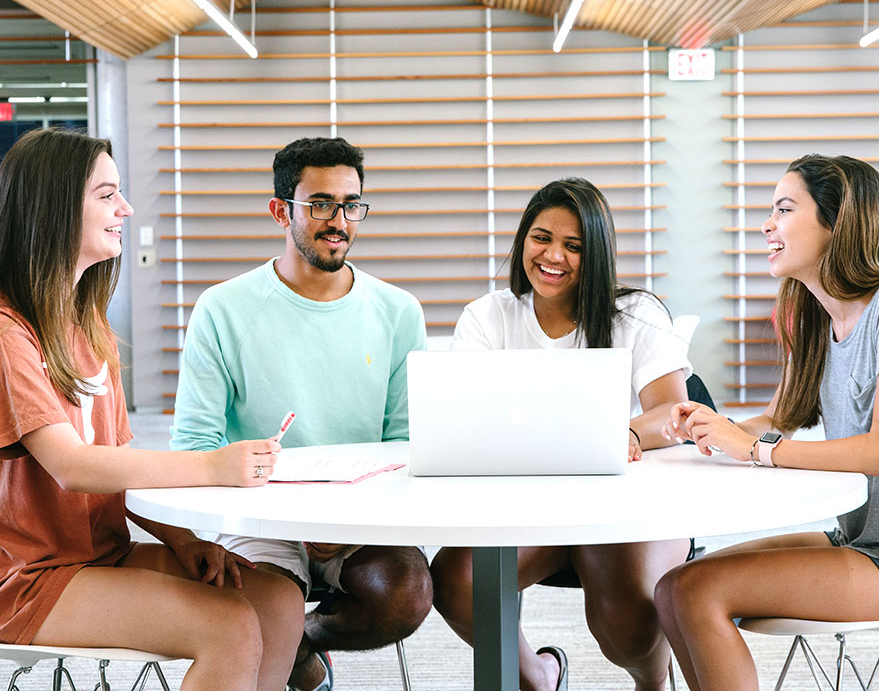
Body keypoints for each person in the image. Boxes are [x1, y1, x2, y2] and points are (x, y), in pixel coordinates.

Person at [0, 128, 303, 691]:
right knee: (229, 626)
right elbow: (74, 466)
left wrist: (183, 540)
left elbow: (118, 462)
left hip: (100, 556)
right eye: (106, 194)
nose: (126, 208)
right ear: (55, 207)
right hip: (26, 579)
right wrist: (214, 467)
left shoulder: (90, 327)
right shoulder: (7, 334)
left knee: (277, 597)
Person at [171, 135, 432, 691]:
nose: (338, 220)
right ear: (280, 211)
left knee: (408, 590)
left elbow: (407, 444)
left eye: (351, 205)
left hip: (359, 517)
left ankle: (304, 642)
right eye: (319, 204)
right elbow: (195, 446)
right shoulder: (222, 309)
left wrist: (352, 520)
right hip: (260, 518)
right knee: (262, 624)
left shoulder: (399, 312)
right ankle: (289, 648)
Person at [430, 177, 693, 691]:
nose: (553, 255)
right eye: (541, 237)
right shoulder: (488, 317)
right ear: (522, 240)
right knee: (456, 583)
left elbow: (672, 411)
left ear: (596, 253)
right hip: (529, 508)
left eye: (574, 245)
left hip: (624, 507)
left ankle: (652, 683)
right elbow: (466, 417)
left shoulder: (635, 314)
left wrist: (617, 433)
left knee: (627, 627)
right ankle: (539, 677)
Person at [654, 154, 879, 691]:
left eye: (783, 209)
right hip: (854, 539)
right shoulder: (816, 319)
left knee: (699, 593)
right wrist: (711, 426)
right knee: (671, 589)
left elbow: (875, 450)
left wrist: (755, 450)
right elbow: (782, 418)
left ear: (838, 222)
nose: (766, 225)